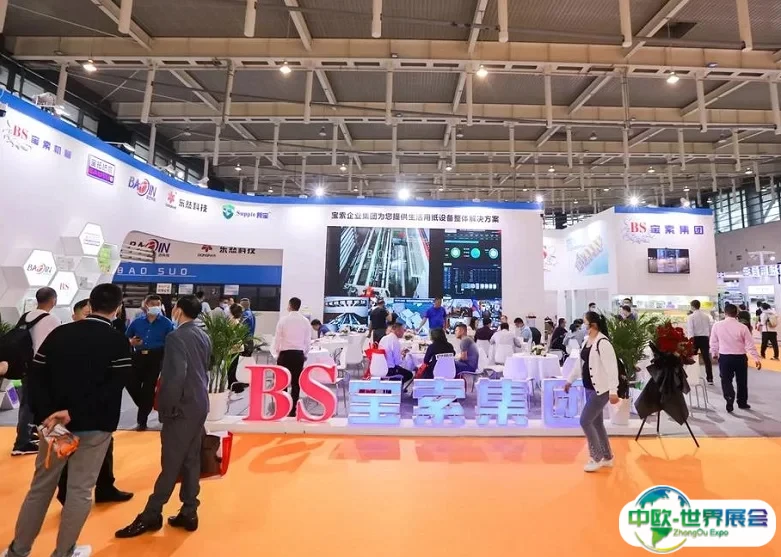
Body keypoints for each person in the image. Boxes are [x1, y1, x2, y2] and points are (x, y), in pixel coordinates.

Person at [4, 284, 131, 557]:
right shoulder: (117, 341)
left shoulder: (60, 333)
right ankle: (63, 552)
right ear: (118, 308)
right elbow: (113, 387)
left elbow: (35, 376)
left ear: (90, 305)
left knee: (41, 487)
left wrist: (48, 415)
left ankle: (18, 550)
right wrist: (74, 411)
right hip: (95, 427)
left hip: (56, 425)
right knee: (80, 490)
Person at [115, 295, 211, 539]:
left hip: (181, 407)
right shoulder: (203, 335)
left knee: (171, 462)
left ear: (179, 310)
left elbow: (174, 376)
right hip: (198, 404)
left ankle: (151, 513)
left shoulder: (176, 337)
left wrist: (166, 408)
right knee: (191, 459)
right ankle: (189, 510)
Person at [57, 298, 132, 506]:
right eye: (84, 313)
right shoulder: (64, 337)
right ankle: (66, 495)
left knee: (104, 449)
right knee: (67, 456)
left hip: (92, 414)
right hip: (68, 414)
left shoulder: (108, 338)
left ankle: (105, 487)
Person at [564, 311, 619, 473]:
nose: (583, 325)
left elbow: (612, 369)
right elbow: (579, 364)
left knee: (585, 421)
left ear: (593, 325)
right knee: (597, 423)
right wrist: (570, 380)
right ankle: (607, 456)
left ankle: (596, 457)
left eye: (585, 322)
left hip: (601, 390)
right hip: (588, 388)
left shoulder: (603, 343)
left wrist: (613, 391)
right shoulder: (587, 341)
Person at [12, 286, 61, 457]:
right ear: (53, 301)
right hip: (41, 368)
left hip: (25, 367)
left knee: (27, 403)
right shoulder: (51, 319)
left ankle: (27, 435)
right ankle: (22, 443)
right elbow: (53, 346)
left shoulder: (26, 316)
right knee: (37, 404)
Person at [126, 295, 175, 431]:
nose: (155, 306)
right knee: (131, 383)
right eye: (152, 304)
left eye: (158, 304)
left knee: (148, 388)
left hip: (156, 357)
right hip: (138, 356)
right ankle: (145, 405)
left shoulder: (166, 323)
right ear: (146, 305)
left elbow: (171, 342)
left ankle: (142, 421)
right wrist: (132, 342)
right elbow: (127, 336)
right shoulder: (137, 322)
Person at [710, 303, 762, 413]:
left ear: (725, 313)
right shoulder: (742, 327)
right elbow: (750, 345)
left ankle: (729, 397)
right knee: (742, 381)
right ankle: (742, 402)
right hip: (740, 358)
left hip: (725, 357)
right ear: (737, 313)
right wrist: (756, 358)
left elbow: (713, 341)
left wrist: (714, 353)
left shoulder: (717, 326)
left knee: (726, 380)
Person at [272, 297, 311, 415]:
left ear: (289, 305)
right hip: (298, 355)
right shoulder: (305, 321)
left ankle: (282, 406)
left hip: (285, 354)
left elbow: (278, 338)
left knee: (282, 382)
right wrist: (305, 353)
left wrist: (276, 353)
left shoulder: (283, 320)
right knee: (295, 383)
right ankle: (293, 409)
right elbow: (307, 340)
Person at [687, 300, 714, 384]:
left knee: (692, 358)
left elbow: (690, 329)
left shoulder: (691, 316)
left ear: (692, 306)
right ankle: (710, 379)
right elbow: (710, 328)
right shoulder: (706, 316)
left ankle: (692, 377)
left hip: (695, 339)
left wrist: (690, 341)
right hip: (705, 338)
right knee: (706, 359)